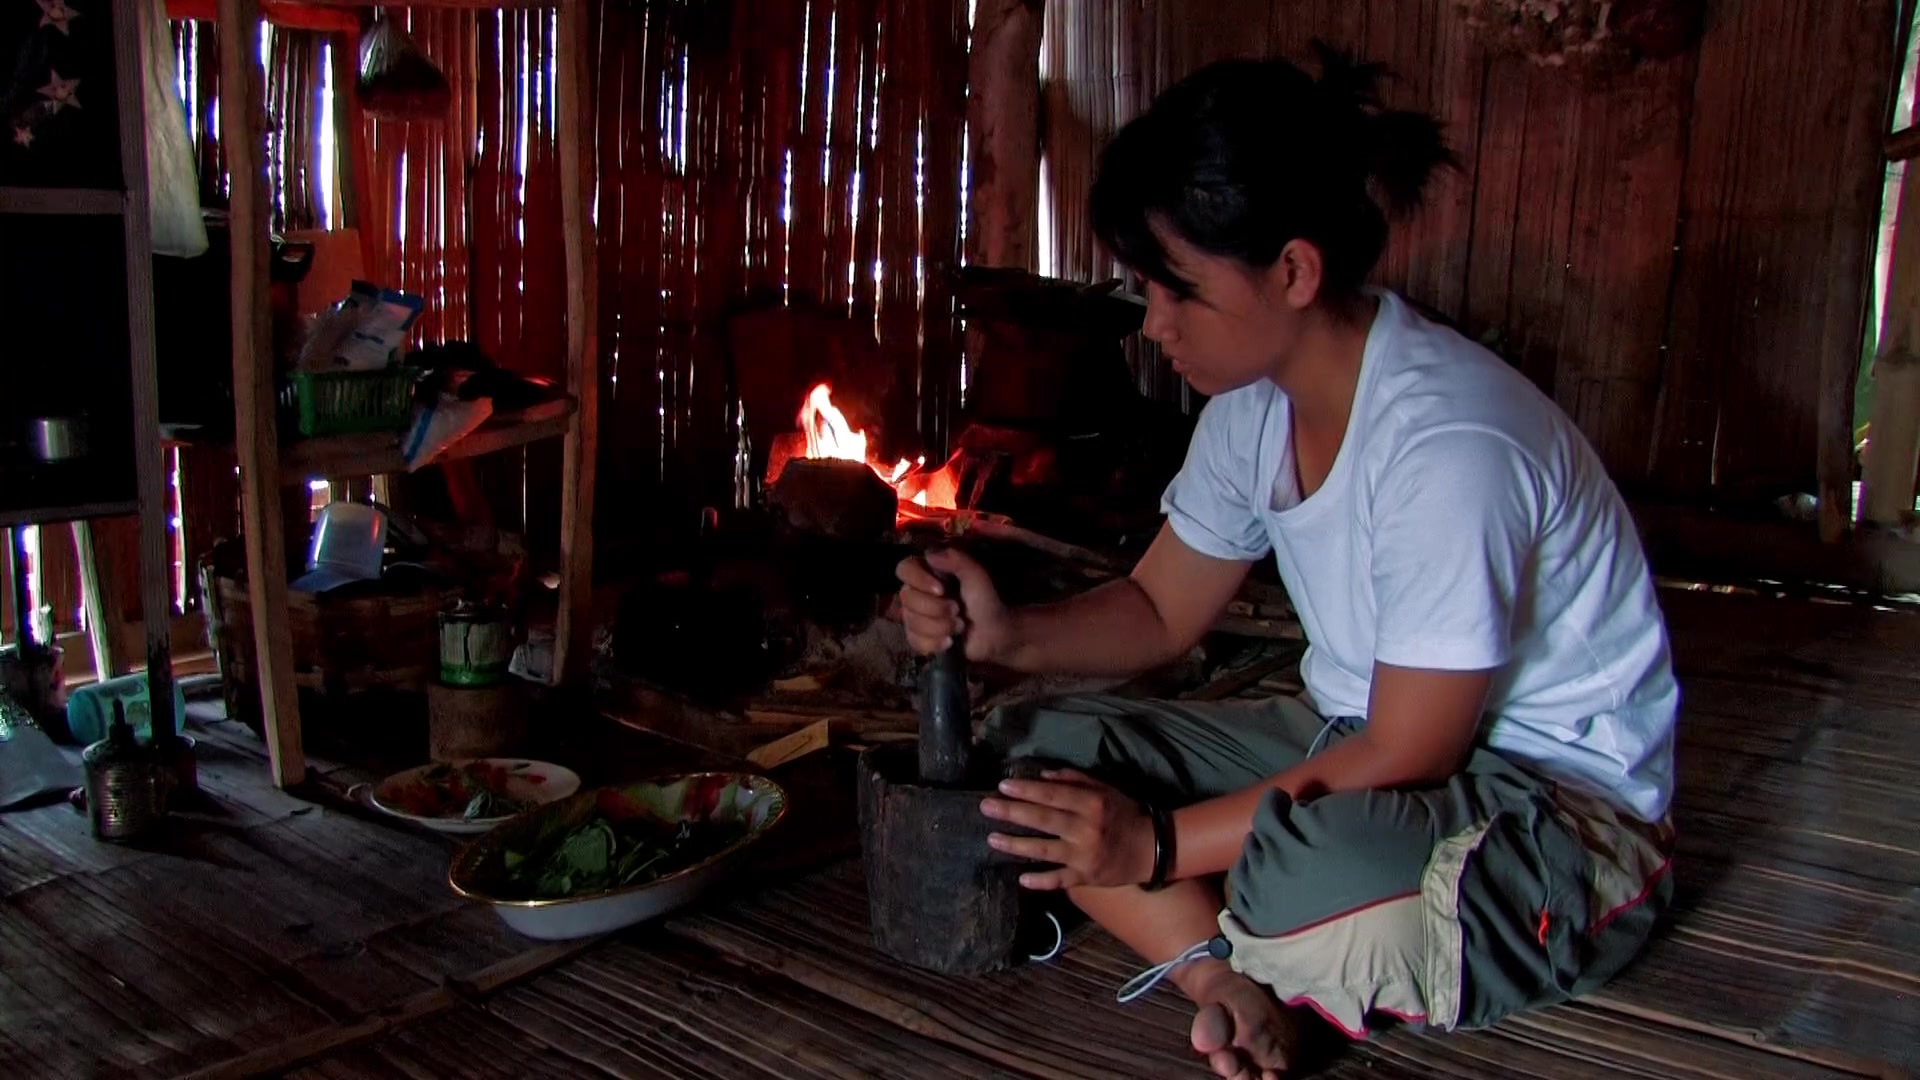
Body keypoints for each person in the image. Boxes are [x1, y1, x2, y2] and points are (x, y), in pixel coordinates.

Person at [895, 49, 1678, 1080]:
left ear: (1295, 272)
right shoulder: (1249, 413)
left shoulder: (1450, 445)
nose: (1153, 326)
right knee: (1027, 754)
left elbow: (1411, 753)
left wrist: (1157, 850)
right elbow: (1158, 609)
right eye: (1145, 288)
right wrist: (1009, 637)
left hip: (1553, 807)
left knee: (1317, 878)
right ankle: (1225, 980)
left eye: (1178, 292)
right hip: (1355, 740)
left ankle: (1221, 930)